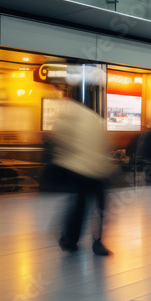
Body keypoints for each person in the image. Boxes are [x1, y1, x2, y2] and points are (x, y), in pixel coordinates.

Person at [52, 99, 113, 256]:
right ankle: (97, 242)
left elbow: (59, 139)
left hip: (76, 169)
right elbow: (105, 145)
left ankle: (70, 239)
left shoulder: (67, 116)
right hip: (96, 170)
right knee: (98, 207)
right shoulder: (97, 121)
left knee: (78, 205)